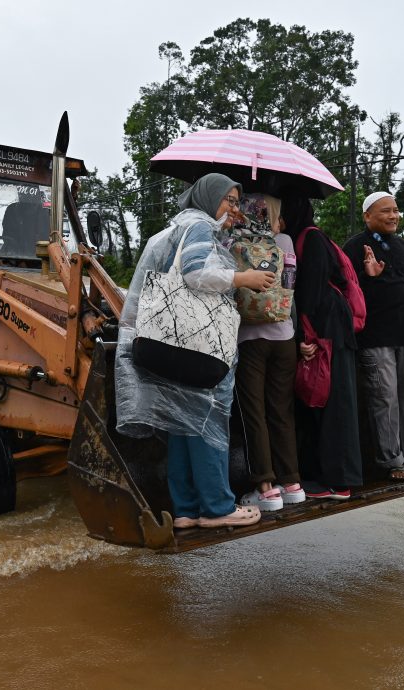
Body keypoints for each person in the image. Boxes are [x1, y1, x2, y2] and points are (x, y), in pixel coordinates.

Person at [115, 173, 274, 529]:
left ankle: (185, 510)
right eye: (229, 200)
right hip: (200, 340)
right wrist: (243, 278)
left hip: (171, 339)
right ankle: (217, 508)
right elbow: (195, 273)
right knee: (206, 419)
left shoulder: (178, 227)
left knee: (181, 421)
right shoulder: (200, 227)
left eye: (237, 202)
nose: (234, 208)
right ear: (209, 198)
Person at [342, 191, 404, 480]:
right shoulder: (354, 248)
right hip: (373, 338)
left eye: (395, 210)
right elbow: (344, 290)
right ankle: (391, 461)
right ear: (367, 216)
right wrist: (366, 277)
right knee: (385, 399)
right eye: (385, 211)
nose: (393, 216)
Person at [284, 194, 362, 500]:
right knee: (323, 399)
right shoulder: (309, 237)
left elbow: (311, 292)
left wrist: (306, 336)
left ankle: (338, 483)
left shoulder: (311, 239)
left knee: (334, 403)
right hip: (330, 324)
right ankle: (328, 476)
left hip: (327, 326)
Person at [233, 194, 305, 512]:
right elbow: (290, 288)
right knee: (281, 412)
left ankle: (265, 488)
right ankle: (292, 484)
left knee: (254, 413)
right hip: (285, 337)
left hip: (250, 338)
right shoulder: (285, 240)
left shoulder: (234, 241)